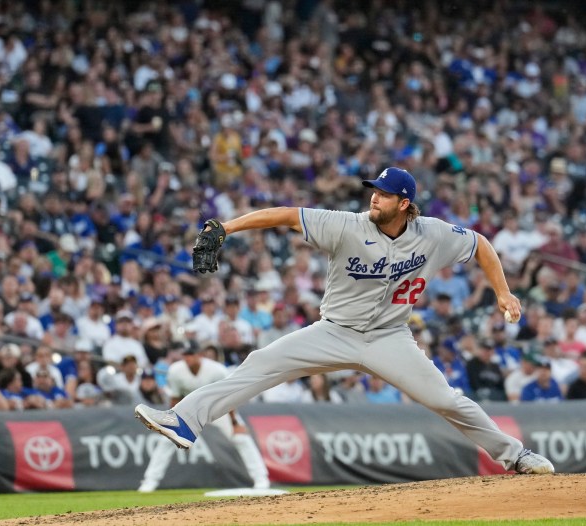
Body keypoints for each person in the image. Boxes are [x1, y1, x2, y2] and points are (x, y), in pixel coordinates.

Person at [135, 167, 554, 475]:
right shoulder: (347, 226)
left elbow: (480, 244)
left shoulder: (433, 234)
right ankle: (185, 420)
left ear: (404, 204)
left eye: (384, 194)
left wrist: (503, 291)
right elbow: (284, 214)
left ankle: (515, 456)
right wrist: (226, 227)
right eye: (373, 191)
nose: (373, 198)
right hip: (333, 332)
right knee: (260, 363)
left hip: (390, 337)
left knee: (446, 400)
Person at [138, 346, 270, 492]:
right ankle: (149, 482)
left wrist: (234, 422)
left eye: (191, 354)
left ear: (199, 355)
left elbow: (230, 395)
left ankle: (261, 479)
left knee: (241, 438)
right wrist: (172, 420)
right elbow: (175, 398)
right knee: (166, 440)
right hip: (191, 411)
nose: (188, 358)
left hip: (217, 409)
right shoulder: (176, 370)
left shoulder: (217, 370)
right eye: (186, 355)